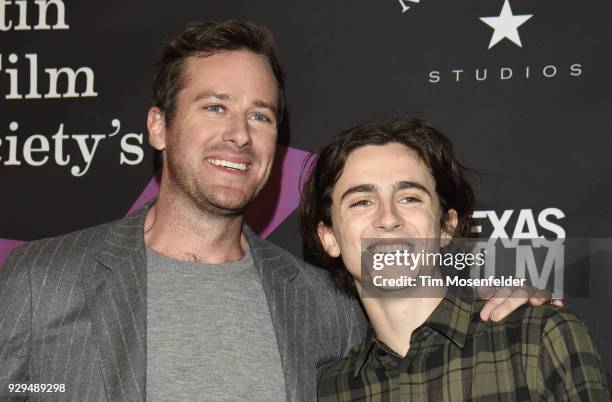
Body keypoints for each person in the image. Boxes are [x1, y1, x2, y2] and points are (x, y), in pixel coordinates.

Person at [0, 21, 555, 401]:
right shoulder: (39, 279)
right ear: (158, 126)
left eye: (260, 116)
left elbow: (416, 299)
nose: (238, 135)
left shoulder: (326, 308)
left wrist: (505, 286)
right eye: (214, 106)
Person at [298, 115, 610, 401]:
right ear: (330, 237)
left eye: (409, 198)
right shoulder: (329, 392)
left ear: (447, 226)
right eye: (362, 201)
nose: (388, 218)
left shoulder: (537, 340)